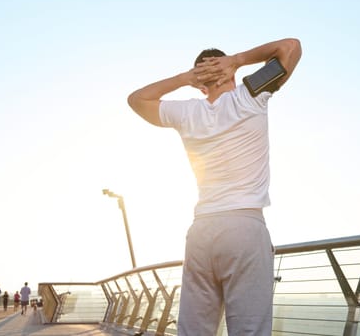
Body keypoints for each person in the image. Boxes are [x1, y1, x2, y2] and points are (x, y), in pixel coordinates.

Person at [128, 38, 302, 336]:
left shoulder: (186, 113)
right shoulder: (251, 94)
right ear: (230, 73)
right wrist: (238, 58)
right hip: (244, 228)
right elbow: (291, 47)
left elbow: (137, 100)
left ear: (200, 85)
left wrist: (185, 78)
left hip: (201, 233)